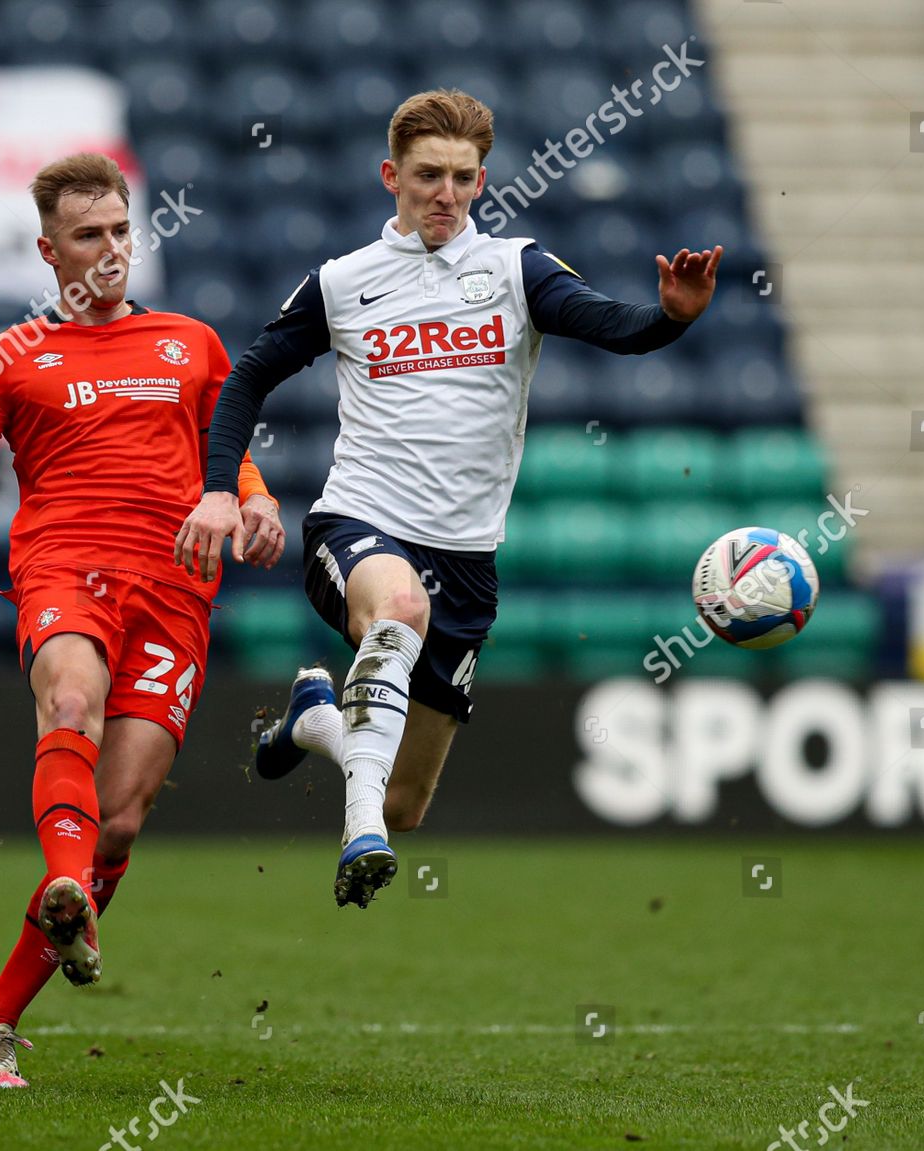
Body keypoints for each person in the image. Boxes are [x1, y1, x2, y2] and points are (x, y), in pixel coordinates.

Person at [175, 89, 720, 909]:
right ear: (391, 175)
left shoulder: (515, 268)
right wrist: (220, 490)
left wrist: (669, 319)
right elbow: (249, 374)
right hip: (359, 524)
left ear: (482, 179)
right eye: (429, 175)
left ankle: (318, 722)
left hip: (465, 562)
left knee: (408, 802)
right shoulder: (344, 282)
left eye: (464, 177)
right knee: (397, 608)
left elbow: (609, 323)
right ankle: (358, 835)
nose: (447, 194)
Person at [0, 153, 283, 1086]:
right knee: (72, 702)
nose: (113, 249)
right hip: (65, 570)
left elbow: (226, 449)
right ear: (49, 250)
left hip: (176, 590)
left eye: (123, 230)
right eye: (90, 235)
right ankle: (64, 886)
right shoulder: (8, 362)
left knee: (119, 821)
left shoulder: (190, 343)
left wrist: (254, 496)